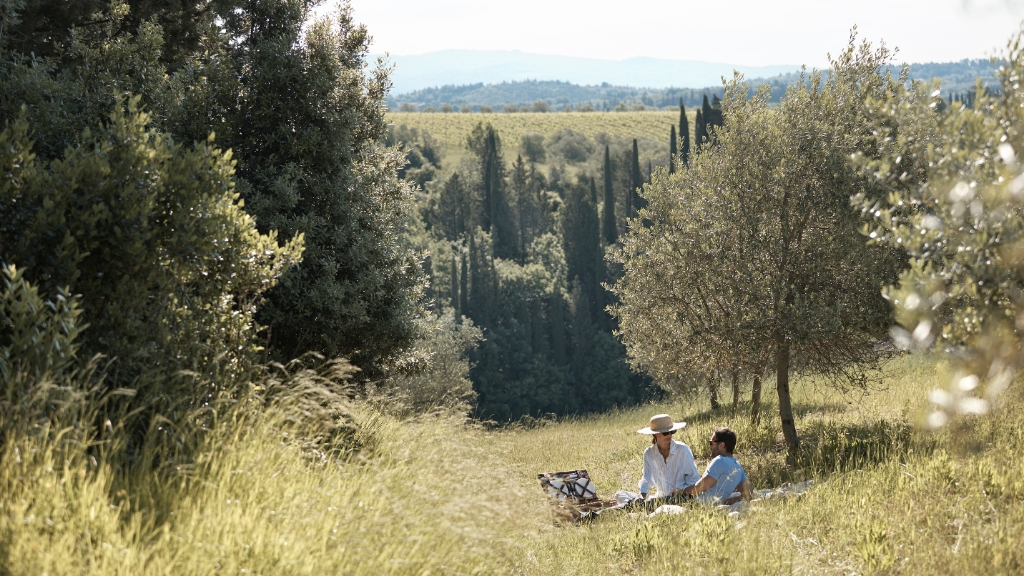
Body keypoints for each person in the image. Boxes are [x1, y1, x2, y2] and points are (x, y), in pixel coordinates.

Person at [623, 414, 699, 504]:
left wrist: (682, 493)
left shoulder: (683, 449)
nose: (669, 435)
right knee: (620, 494)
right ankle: (636, 504)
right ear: (655, 434)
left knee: (632, 503)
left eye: (672, 431)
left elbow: (694, 477)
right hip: (660, 498)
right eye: (665, 433)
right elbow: (646, 478)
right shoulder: (648, 453)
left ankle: (633, 505)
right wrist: (642, 496)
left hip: (681, 497)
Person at [683, 427, 753, 506]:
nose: (710, 446)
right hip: (711, 505)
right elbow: (749, 495)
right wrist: (723, 502)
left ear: (722, 445)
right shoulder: (738, 467)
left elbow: (698, 488)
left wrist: (682, 492)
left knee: (668, 499)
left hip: (697, 504)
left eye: (711, 443)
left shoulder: (719, 461)